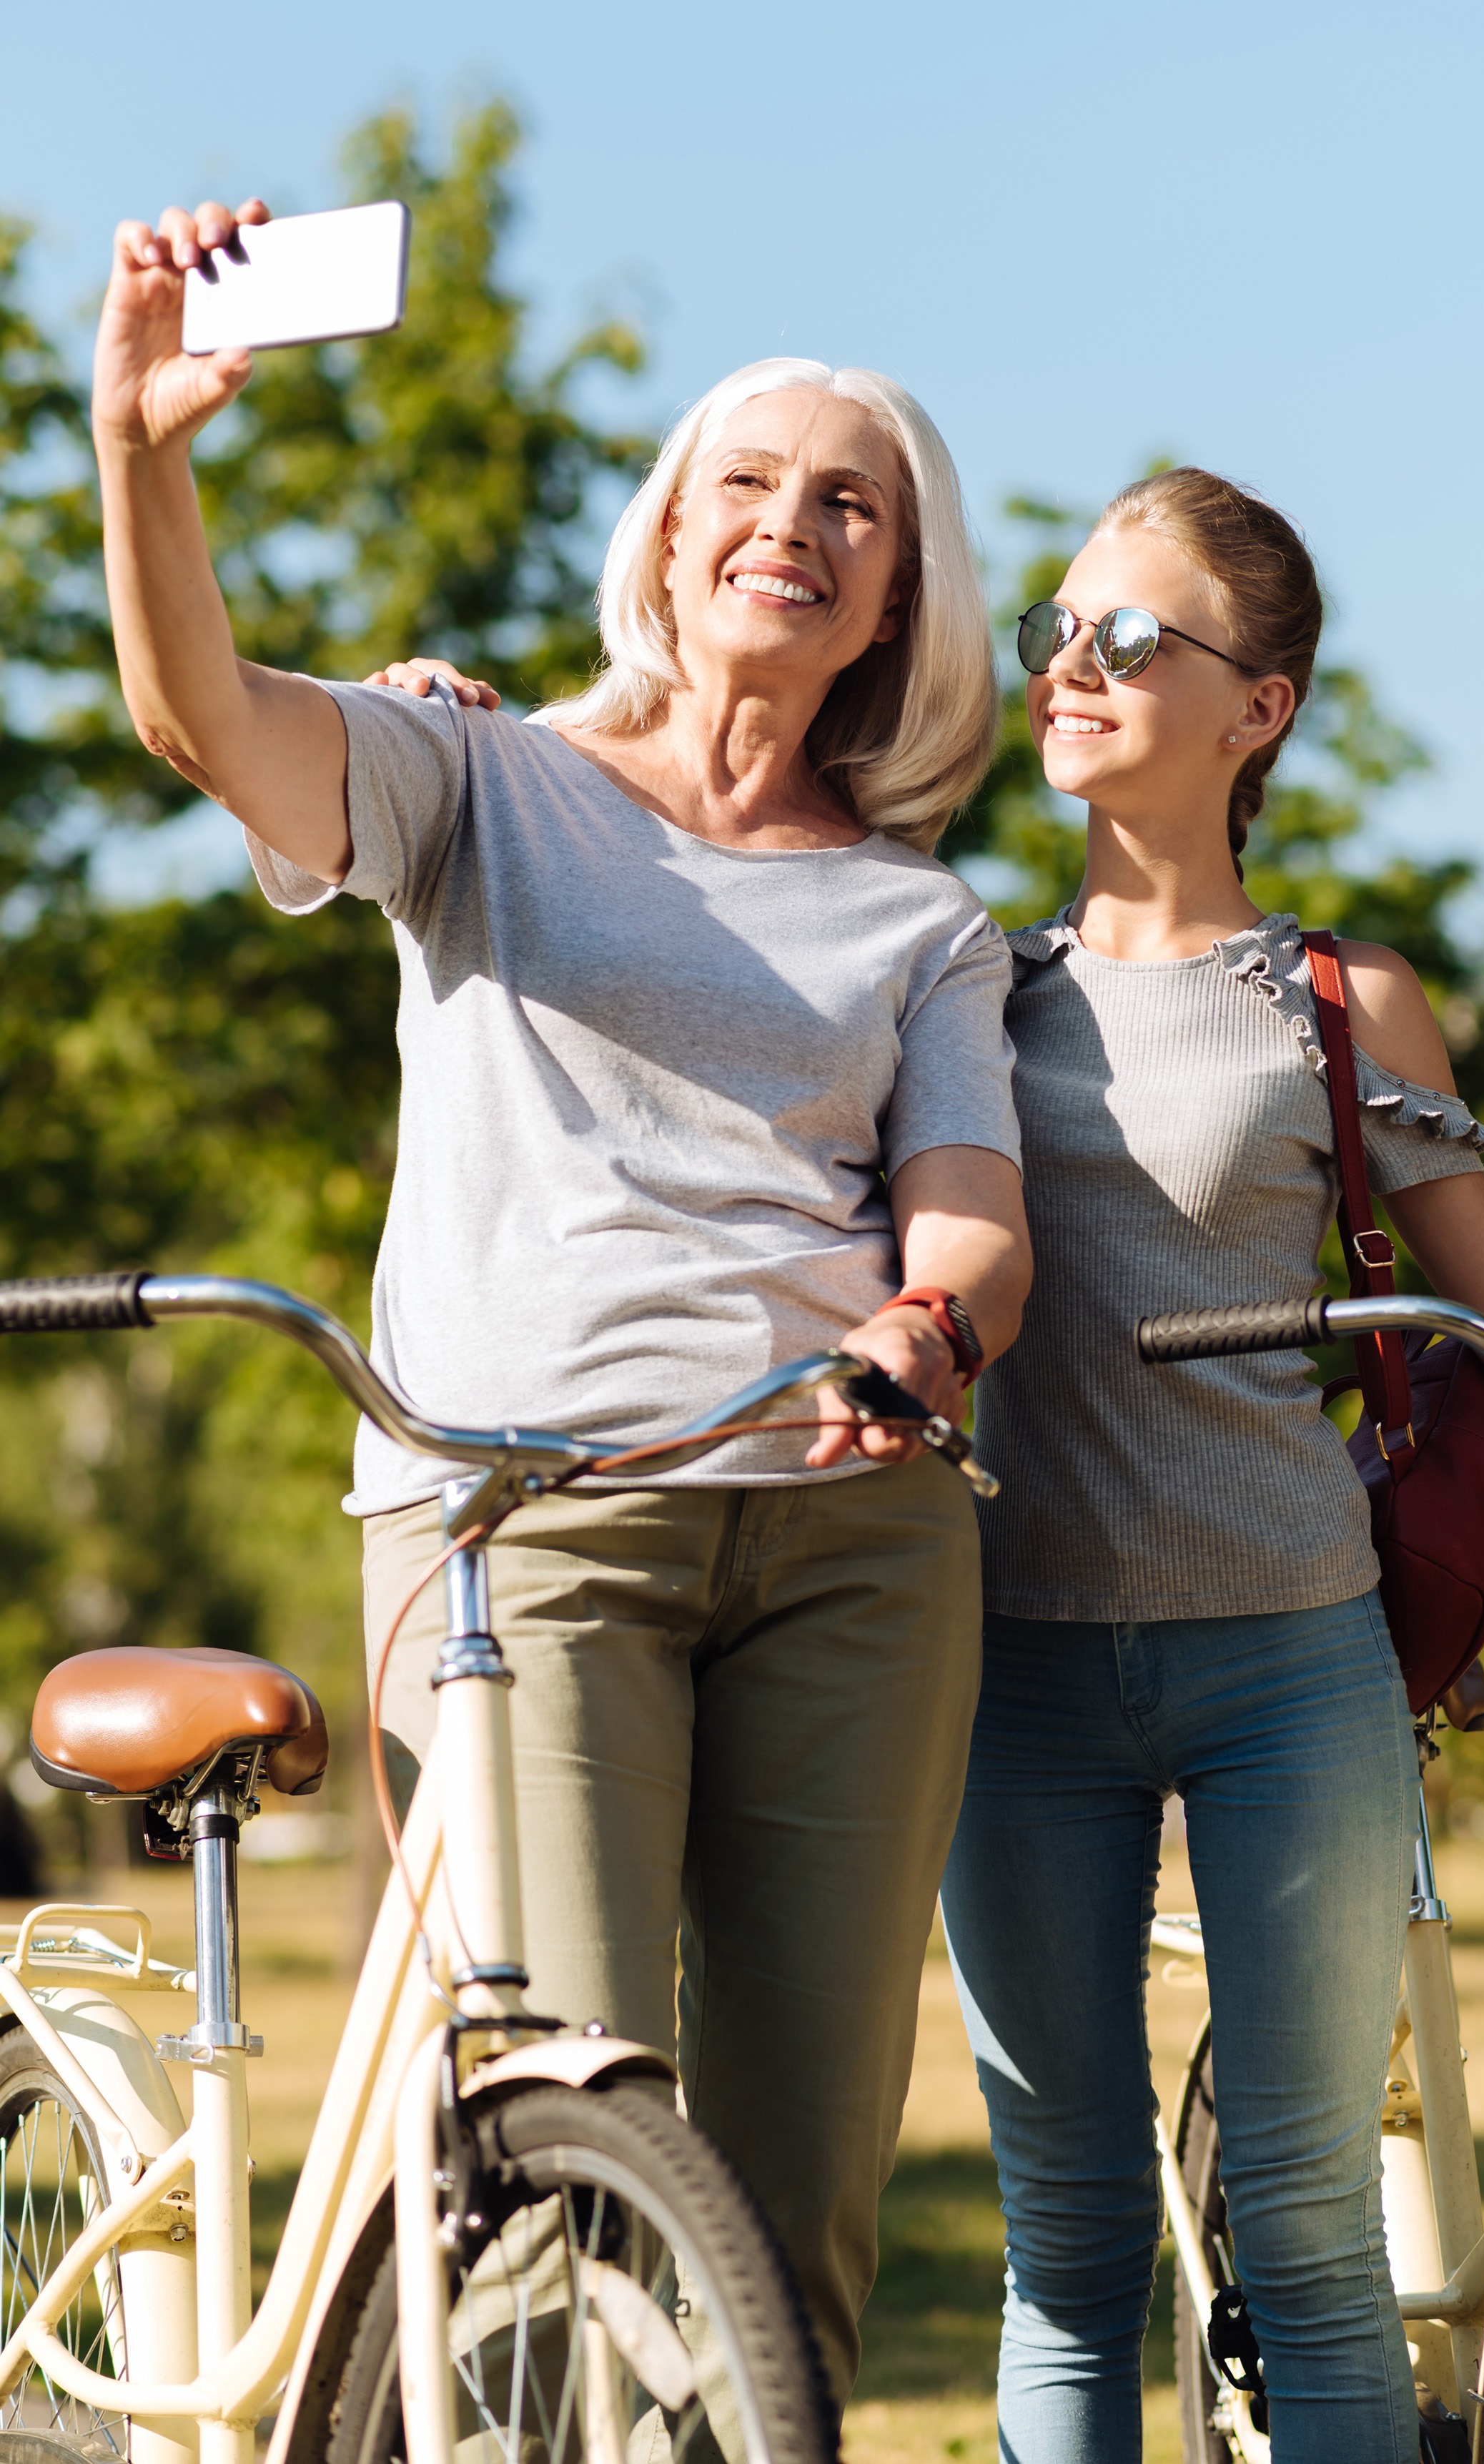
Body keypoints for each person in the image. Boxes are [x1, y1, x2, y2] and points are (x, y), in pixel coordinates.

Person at [92, 194, 1032, 2405]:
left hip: (854, 1538)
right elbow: (202, 721)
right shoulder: (478, 775)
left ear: (901, 595)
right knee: (567, 2147)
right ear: (670, 532)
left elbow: (971, 1211)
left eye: (853, 506)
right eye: (748, 481)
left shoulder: (923, 921)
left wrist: (928, 1329)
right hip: (525, 1529)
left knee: (792, 2214)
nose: (792, 524)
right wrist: (141, 446)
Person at [934, 465, 1484, 2464]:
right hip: (1013, 1665)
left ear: (1258, 707)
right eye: (1054, 629)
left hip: (1294, 1661)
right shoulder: (962, 986)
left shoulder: (1340, 1005)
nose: (1070, 665)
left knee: (1308, 2228)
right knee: (1068, 2240)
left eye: (1129, 636)